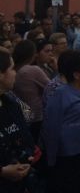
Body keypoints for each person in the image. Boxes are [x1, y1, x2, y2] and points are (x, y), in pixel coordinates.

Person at [41, 50, 80, 193]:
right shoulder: (59, 94)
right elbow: (51, 128)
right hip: (67, 156)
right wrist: (51, 160)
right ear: (76, 74)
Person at [0, 47, 36, 193]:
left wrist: (24, 161)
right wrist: (2, 171)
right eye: (12, 68)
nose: (16, 73)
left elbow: (26, 138)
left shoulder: (12, 103)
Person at [12, 40, 50, 143]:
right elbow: (52, 88)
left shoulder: (13, 70)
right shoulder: (32, 70)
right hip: (36, 117)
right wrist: (56, 70)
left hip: (20, 116)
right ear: (33, 55)